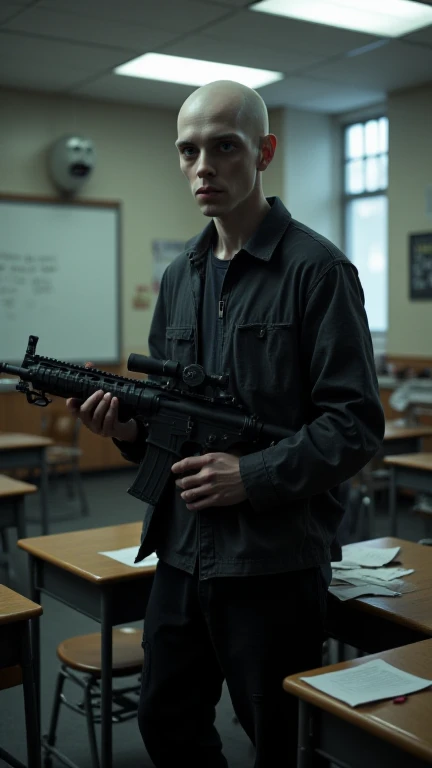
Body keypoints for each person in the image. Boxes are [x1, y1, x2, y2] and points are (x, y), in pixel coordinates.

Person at [67, 80, 385, 767]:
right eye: (189, 151)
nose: (203, 167)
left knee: (278, 741)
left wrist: (252, 475)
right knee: (166, 722)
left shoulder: (318, 270)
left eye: (224, 147)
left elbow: (355, 424)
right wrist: (126, 432)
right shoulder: (180, 273)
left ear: (263, 151)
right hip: (180, 550)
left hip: (271, 560)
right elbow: (164, 417)